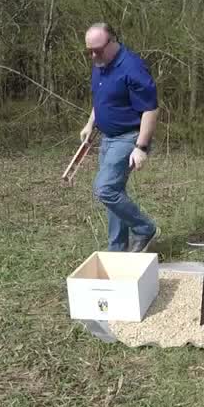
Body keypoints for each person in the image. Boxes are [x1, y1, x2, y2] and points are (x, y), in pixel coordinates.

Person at [79, 22, 160, 253]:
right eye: (89, 51)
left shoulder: (132, 67)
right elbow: (102, 99)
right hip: (108, 137)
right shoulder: (100, 64)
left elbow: (151, 109)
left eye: (98, 49)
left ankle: (144, 228)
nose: (94, 55)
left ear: (112, 41)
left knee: (105, 189)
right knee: (115, 192)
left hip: (129, 137)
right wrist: (90, 123)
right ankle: (117, 250)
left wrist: (141, 147)